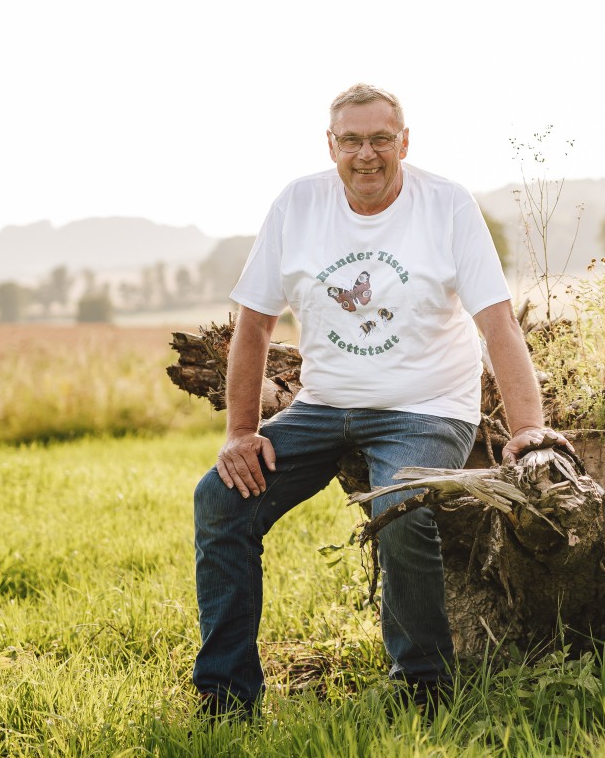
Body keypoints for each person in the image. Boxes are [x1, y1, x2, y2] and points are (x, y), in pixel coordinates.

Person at [192, 83, 572, 719]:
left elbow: (498, 323)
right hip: (322, 406)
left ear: (403, 142)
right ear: (331, 145)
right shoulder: (298, 204)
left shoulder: (446, 204)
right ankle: (227, 696)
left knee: (398, 505)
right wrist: (241, 432)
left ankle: (423, 687)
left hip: (427, 407)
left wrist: (528, 428)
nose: (365, 154)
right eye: (351, 141)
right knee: (219, 499)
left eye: (379, 139)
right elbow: (254, 324)